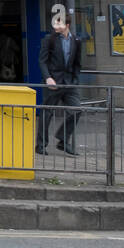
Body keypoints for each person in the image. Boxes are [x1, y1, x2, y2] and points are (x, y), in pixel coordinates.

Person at [37, 13, 82, 155]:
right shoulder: (49, 40)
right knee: (47, 113)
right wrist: (47, 78)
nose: (55, 27)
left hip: (69, 83)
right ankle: (40, 145)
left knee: (76, 110)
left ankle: (63, 140)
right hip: (53, 81)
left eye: (59, 24)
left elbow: (77, 63)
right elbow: (42, 61)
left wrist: (75, 79)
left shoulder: (76, 40)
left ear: (67, 25)